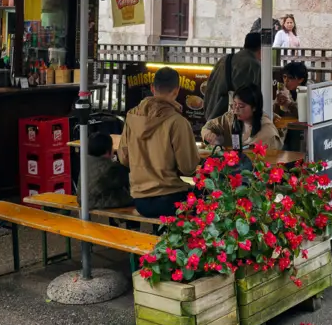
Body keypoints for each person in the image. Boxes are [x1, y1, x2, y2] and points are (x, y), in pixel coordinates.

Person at [118, 66, 199, 218]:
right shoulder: (177, 122)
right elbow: (188, 168)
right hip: (170, 199)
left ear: (152, 88)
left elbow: (124, 158)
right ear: (176, 90)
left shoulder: (131, 117)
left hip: (140, 201)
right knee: (206, 198)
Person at [201, 85, 284, 150]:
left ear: (254, 107)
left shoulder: (268, 133)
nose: (236, 109)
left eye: (241, 106)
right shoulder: (231, 118)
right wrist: (208, 134)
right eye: (234, 104)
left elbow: (271, 160)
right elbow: (209, 126)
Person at [203, 32, 262, 121]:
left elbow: (209, 86)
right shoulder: (254, 66)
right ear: (261, 49)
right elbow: (255, 99)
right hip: (231, 122)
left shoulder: (225, 59)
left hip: (212, 116)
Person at [77, 131, 133, 209]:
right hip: (98, 202)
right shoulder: (110, 168)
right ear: (107, 151)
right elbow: (128, 179)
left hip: (83, 200)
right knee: (137, 198)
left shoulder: (85, 163)